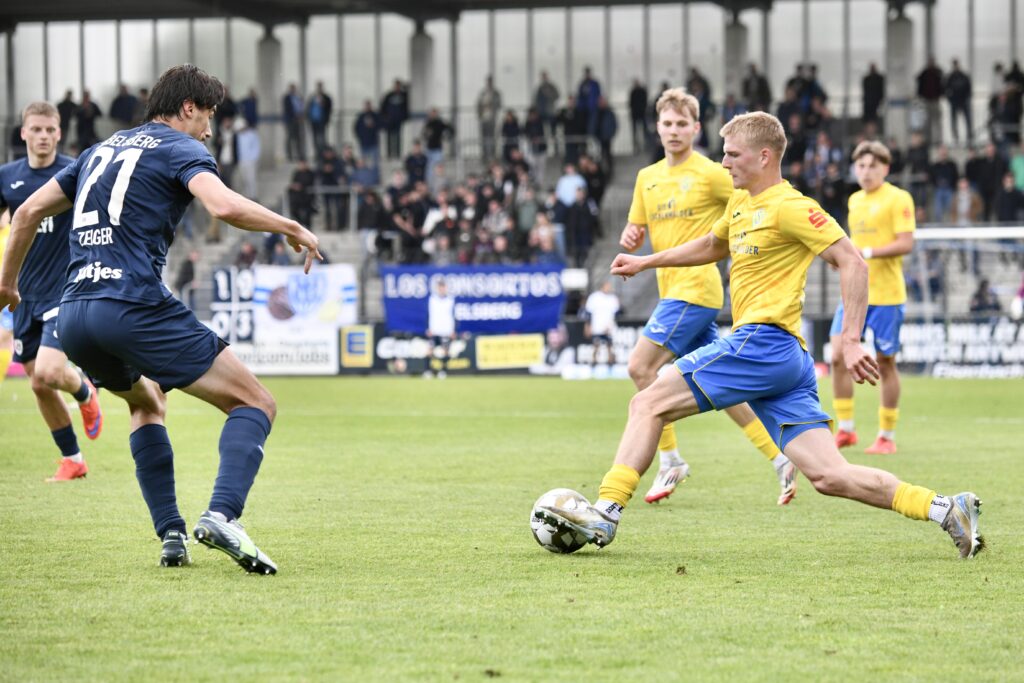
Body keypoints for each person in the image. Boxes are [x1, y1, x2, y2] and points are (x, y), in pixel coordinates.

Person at [537, 111, 984, 561]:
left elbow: (854, 262)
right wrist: (646, 262)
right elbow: (713, 246)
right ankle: (946, 508)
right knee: (830, 476)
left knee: (646, 401)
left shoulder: (791, 207)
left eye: (733, 154)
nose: (725, 162)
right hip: (780, 359)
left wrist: (850, 339)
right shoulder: (739, 202)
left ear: (764, 155)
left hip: (763, 343)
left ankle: (606, 512)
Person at [0, 65, 322, 573]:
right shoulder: (181, 147)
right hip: (132, 305)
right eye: (208, 117)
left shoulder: (98, 151)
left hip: (75, 315)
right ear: (188, 108)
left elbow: (25, 214)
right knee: (255, 402)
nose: (210, 131)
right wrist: (290, 225)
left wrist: (6, 284)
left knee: (147, 402)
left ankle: (171, 533)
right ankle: (223, 514)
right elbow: (220, 207)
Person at [616, 89, 798, 507]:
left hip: (696, 288)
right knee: (723, 388)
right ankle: (779, 458)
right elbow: (636, 227)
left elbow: (751, 193)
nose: (675, 131)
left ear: (696, 129)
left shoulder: (714, 172)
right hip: (671, 288)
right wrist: (632, 236)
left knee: (640, 367)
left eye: (683, 124)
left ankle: (671, 458)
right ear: (657, 128)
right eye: (668, 123)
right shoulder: (647, 178)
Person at [0, 102, 104, 482]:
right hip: (22, 295)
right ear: (24, 133)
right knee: (38, 384)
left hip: (66, 289)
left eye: (50, 130)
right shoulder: (6, 177)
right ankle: (73, 459)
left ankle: (84, 392)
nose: (43, 136)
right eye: (36, 129)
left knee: (48, 371)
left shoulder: (74, 171)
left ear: (59, 133)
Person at [830, 141, 915, 456]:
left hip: (887, 295)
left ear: (885, 168)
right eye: (861, 166)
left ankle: (886, 435)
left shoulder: (898, 198)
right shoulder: (854, 201)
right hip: (854, 295)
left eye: (872, 166)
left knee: (885, 362)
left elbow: (906, 243)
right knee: (837, 355)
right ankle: (846, 429)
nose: (865, 172)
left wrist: (865, 253)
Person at [583, 279, 619, 366]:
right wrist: (588, 326)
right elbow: (588, 313)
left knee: (609, 345)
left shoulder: (613, 298)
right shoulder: (594, 297)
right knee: (596, 344)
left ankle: (610, 363)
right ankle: (594, 362)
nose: (609, 288)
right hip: (597, 326)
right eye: (607, 286)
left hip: (608, 326)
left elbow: (616, 314)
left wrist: (610, 325)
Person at [425, 278, 455, 379]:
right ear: (437, 288)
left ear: (445, 288)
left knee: (446, 351)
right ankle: (428, 371)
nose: (442, 289)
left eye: (443, 287)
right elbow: (429, 314)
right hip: (434, 330)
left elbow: (453, 315)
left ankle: (443, 371)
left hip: (446, 330)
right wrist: (428, 328)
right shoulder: (432, 299)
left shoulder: (450, 300)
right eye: (440, 287)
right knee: (430, 350)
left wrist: (452, 330)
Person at [282, 83, 305, 161]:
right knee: (290, 138)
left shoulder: (298, 97)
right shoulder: (287, 98)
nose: (293, 90)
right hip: (290, 120)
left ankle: (299, 155)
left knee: (298, 138)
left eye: (294, 88)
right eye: (291, 88)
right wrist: (295, 116)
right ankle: (289, 156)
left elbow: (301, 107)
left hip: (298, 121)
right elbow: (286, 109)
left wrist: (301, 116)